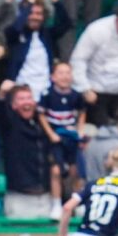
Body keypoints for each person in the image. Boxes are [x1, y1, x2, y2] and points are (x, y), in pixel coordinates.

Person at [70, 3, 118, 127]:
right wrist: (85, 88)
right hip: (96, 92)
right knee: (105, 128)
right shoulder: (96, 30)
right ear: (117, 20)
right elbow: (78, 61)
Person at [38, 61, 86, 219]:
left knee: (76, 170)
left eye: (68, 73)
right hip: (56, 139)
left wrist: (79, 131)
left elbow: (82, 113)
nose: (64, 76)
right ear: (53, 77)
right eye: (60, 73)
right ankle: (57, 204)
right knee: (56, 170)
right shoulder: (47, 94)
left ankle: (77, 202)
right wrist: (51, 134)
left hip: (71, 139)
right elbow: (41, 115)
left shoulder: (76, 95)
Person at [0, 83, 53, 218]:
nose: (26, 102)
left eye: (29, 98)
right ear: (13, 105)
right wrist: (2, 94)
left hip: (44, 198)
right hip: (19, 198)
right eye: (21, 99)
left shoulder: (41, 124)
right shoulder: (10, 124)